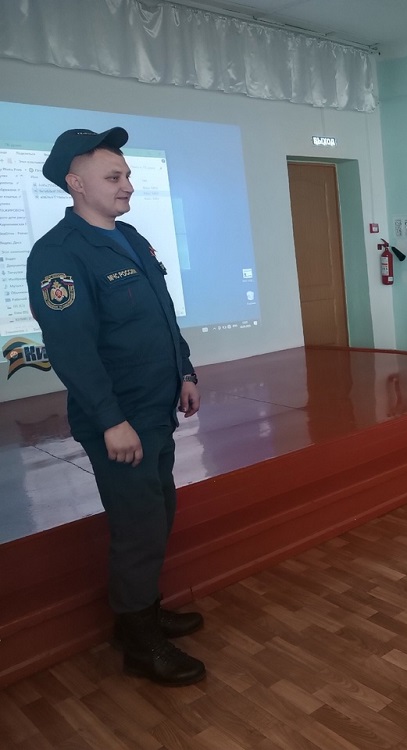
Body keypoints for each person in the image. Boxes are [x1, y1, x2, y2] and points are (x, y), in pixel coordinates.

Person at [25, 127, 205, 686]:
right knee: (138, 527)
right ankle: (139, 641)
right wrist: (111, 421)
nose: (127, 184)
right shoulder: (58, 254)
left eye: (127, 174)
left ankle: (141, 613)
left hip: (156, 409)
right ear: (76, 184)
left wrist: (185, 371)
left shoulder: (129, 237)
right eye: (113, 176)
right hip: (121, 420)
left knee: (158, 514)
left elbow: (161, 315)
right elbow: (72, 351)